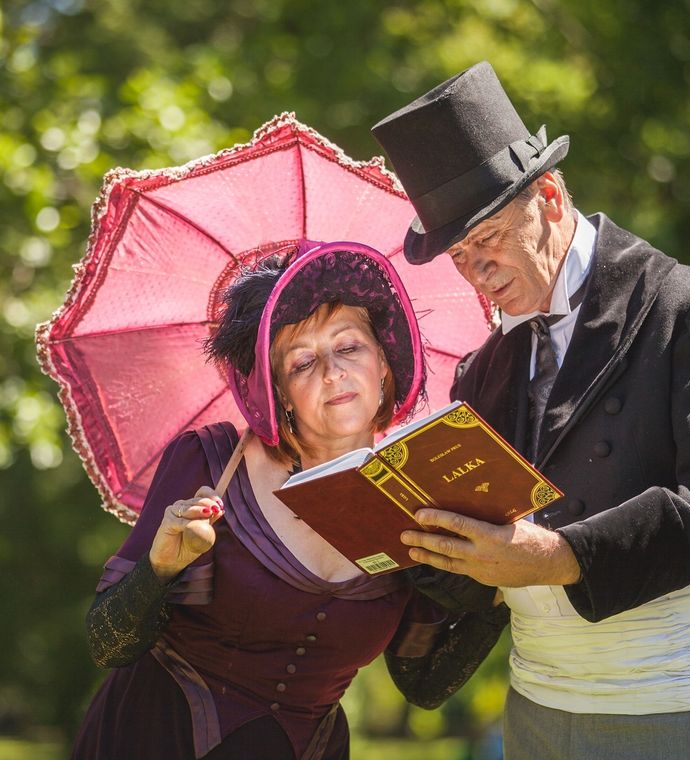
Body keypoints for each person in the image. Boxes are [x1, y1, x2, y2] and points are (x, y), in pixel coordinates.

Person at [371, 62, 690, 759]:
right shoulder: (482, 373)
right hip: (537, 712)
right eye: (457, 256)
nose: (475, 272)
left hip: (682, 707)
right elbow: (477, 559)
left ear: (546, 196)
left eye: (485, 240)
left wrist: (555, 557)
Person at [71, 240, 508, 760]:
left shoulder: (419, 494)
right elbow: (107, 644)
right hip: (155, 739)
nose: (331, 372)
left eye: (349, 347)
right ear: (275, 390)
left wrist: (499, 588)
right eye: (302, 361)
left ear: (386, 363)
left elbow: (423, 685)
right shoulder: (209, 465)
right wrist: (159, 568)